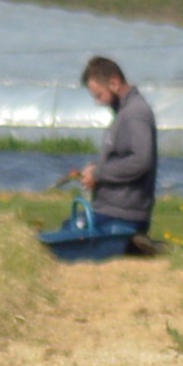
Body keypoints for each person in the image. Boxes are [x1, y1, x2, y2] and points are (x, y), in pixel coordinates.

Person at [72, 55, 158, 243]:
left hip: (124, 214)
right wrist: (96, 168)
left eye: (99, 95)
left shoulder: (135, 114)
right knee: (70, 227)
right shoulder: (123, 112)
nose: (98, 102)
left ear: (114, 83)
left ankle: (132, 240)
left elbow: (141, 160)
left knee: (72, 233)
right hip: (111, 209)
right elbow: (122, 157)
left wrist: (98, 175)